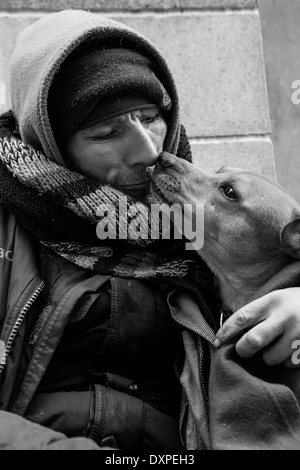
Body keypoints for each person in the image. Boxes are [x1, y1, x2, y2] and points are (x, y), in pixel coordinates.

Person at [1, 9, 300, 451]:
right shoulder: (9, 230)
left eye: (151, 116)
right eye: (106, 133)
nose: (148, 150)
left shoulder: (196, 229)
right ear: (51, 143)